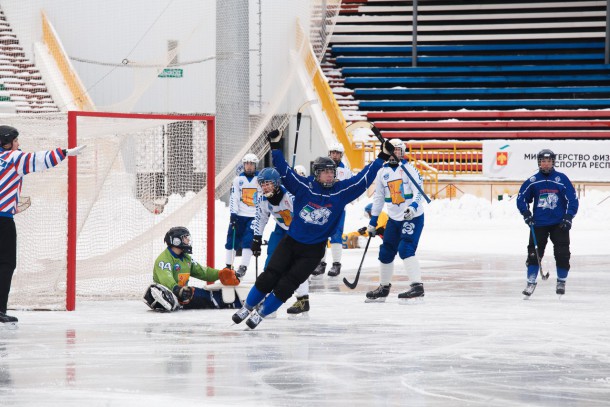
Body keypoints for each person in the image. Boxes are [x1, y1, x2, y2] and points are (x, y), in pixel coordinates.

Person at [230, 130, 393, 329]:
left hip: (313, 251)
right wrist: (275, 147)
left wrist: (382, 157)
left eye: (332, 171)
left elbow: (363, 180)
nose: (330, 174)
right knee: (270, 274)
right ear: (317, 173)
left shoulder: (341, 192)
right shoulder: (304, 187)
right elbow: (284, 171)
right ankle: (247, 306)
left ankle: (262, 313)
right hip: (291, 242)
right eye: (326, 171)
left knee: (287, 284)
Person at [0, 125, 86, 324]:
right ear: (6, 143)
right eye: (15, 141)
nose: (18, 144)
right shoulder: (13, 159)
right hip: (3, 220)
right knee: (5, 265)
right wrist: (64, 153)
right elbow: (39, 160)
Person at [365, 139, 427, 303]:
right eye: (390, 150)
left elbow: (419, 192)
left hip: (412, 217)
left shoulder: (409, 169)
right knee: (386, 251)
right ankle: (384, 287)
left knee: (405, 248)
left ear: (402, 152)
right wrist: (373, 221)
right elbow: (378, 198)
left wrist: (413, 207)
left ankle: (417, 286)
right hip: (394, 219)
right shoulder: (381, 173)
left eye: (397, 150)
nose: (393, 154)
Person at [516, 149, 578, 297]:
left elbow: (573, 199)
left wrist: (568, 216)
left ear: (553, 162)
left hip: (559, 223)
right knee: (534, 254)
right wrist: (526, 214)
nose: (546, 164)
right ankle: (530, 282)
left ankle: (561, 281)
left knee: (562, 254)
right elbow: (521, 199)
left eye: (549, 161)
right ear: (539, 162)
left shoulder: (561, 179)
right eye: (543, 161)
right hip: (539, 223)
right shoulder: (533, 180)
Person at [144, 226, 242, 311]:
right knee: (198, 293)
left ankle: (234, 301)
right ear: (176, 241)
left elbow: (202, 272)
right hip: (172, 297)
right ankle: (233, 303)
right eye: (185, 238)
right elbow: (166, 279)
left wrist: (220, 274)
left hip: (183, 294)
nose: (188, 240)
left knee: (205, 292)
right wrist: (178, 290)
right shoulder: (164, 259)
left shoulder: (185, 258)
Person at [312, 142, 352, 277]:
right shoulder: (322, 168)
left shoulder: (346, 171)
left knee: (336, 235)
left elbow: (350, 188)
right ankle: (321, 263)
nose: (334, 155)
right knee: (321, 235)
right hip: (323, 207)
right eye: (332, 152)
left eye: (337, 153)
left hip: (338, 209)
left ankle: (336, 264)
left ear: (341, 155)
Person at [251, 167, 294, 269]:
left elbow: (303, 216)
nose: (265, 187)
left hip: (297, 229)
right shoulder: (262, 200)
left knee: (295, 257)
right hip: (281, 227)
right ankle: (268, 276)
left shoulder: (290, 196)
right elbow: (260, 219)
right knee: (273, 249)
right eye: (263, 185)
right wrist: (257, 238)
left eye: (268, 184)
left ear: (276, 183)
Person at [225, 153, 260, 278]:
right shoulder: (238, 180)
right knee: (232, 239)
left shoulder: (260, 180)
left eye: (251, 164)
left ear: (255, 165)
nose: (249, 167)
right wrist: (233, 214)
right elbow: (234, 198)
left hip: (254, 216)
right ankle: (228, 266)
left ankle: (243, 266)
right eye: (247, 164)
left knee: (248, 240)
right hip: (239, 215)